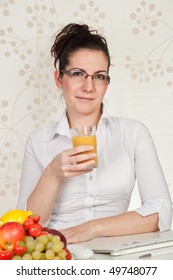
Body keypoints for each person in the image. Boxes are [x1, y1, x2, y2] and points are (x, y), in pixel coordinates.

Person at [17, 23, 172, 244]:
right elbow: (25, 224)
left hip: (115, 255)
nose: (89, 87)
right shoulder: (39, 141)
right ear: (59, 79)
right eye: (78, 74)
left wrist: (92, 229)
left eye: (99, 76)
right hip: (58, 253)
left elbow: (162, 211)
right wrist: (52, 173)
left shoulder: (133, 133)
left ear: (106, 82)